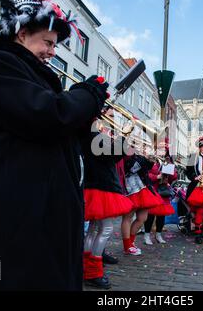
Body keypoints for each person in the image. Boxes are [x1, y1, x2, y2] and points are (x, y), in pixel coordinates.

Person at [0, 0, 110, 290]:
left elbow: (55, 133)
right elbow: (46, 115)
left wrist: (86, 119)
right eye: (48, 43)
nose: (53, 52)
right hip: (9, 222)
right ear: (22, 34)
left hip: (38, 220)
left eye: (56, 45)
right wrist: (87, 95)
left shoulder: (32, 74)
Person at [81, 120, 134, 289]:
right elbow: (113, 154)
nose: (106, 121)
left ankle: (86, 269)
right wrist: (124, 134)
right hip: (102, 187)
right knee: (105, 229)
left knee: (94, 230)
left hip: (95, 186)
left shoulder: (88, 135)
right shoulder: (93, 135)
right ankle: (93, 273)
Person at [121, 147, 162, 255]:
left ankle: (131, 242)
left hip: (143, 187)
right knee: (128, 217)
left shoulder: (138, 154)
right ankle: (127, 246)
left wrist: (150, 161)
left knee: (142, 218)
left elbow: (145, 169)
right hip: (130, 188)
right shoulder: (123, 149)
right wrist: (144, 158)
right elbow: (130, 168)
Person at [145, 151, 177, 245]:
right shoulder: (150, 159)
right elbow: (146, 175)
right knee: (150, 214)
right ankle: (147, 235)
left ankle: (158, 234)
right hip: (153, 191)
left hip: (163, 192)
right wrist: (157, 176)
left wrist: (171, 170)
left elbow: (174, 177)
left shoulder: (167, 161)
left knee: (161, 216)